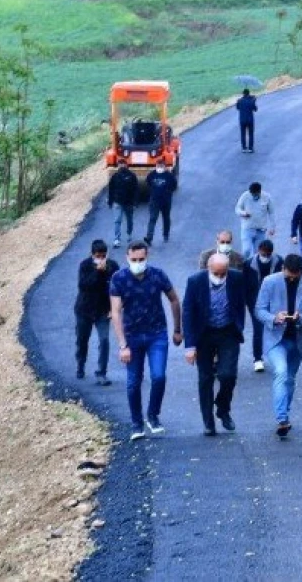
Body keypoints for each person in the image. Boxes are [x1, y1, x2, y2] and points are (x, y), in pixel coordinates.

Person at [109, 241, 183, 441]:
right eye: (134, 260)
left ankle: (153, 415)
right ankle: (136, 423)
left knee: (158, 376)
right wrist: (122, 345)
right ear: (127, 258)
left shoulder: (158, 275)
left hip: (156, 334)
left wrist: (177, 329)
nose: (138, 263)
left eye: (141, 259)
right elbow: (115, 312)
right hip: (132, 336)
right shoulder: (119, 278)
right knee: (134, 381)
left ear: (147, 257)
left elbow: (174, 299)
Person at [255, 254, 302, 438]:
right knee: (281, 372)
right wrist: (274, 318)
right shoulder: (269, 282)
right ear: (283, 269)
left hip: (298, 338)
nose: (292, 279)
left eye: (296, 276)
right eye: (289, 275)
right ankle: (282, 418)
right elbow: (259, 310)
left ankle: (285, 412)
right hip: (276, 338)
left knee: (290, 378)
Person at [182, 253, 248, 436]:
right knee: (205, 378)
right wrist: (190, 346)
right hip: (204, 334)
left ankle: (223, 408)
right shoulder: (195, 281)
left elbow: (242, 301)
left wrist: (239, 324)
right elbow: (187, 312)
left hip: (228, 331)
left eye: (223, 274)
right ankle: (208, 422)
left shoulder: (236, 278)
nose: (220, 277)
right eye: (216, 274)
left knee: (228, 375)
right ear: (208, 269)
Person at [75, 239, 119, 385]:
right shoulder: (85, 265)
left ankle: (101, 372)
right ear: (92, 254)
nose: (101, 259)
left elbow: (116, 286)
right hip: (84, 310)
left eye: (103, 256)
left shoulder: (112, 266)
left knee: (104, 340)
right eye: (98, 256)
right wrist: (96, 272)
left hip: (102, 310)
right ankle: (81, 363)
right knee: (82, 340)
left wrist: (114, 309)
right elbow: (83, 285)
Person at [245, 240, 284, 372]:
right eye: (263, 254)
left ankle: (277, 356)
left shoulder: (279, 262)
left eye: (268, 255)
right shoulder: (248, 264)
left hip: (273, 301)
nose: (265, 257)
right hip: (255, 302)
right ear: (258, 250)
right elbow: (244, 285)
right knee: (258, 329)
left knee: (275, 327)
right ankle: (257, 359)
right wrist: (247, 302)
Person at [235, 182, 275, 258]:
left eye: (256, 194)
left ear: (260, 191)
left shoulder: (267, 197)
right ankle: (244, 267)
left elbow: (271, 213)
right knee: (246, 250)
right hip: (247, 229)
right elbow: (237, 209)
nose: (254, 196)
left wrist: (272, 227)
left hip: (261, 230)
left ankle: (254, 268)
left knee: (258, 253)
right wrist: (243, 213)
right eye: (252, 194)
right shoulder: (245, 196)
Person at [143, 164, 178, 245]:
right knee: (152, 218)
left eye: (161, 166)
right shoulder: (152, 174)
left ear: (164, 167)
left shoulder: (169, 175)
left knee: (166, 218)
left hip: (166, 201)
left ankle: (166, 234)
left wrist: (168, 193)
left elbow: (174, 186)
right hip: (154, 201)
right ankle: (149, 237)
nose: (160, 168)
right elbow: (148, 183)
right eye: (158, 166)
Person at [107, 162, 139, 248]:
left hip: (129, 203)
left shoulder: (132, 176)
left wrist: (135, 202)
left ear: (126, 165)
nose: (121, 166)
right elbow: (111, 190)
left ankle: (129, 233)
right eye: (120, 165)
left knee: (129, 220)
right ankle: (117, 239)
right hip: (117, 202)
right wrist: (110, 202)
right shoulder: (115, 176)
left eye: (123, 164)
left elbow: (136, 189)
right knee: (117, 220)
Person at [236, 88, 258, 153]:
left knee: (243, 134)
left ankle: (244, 148)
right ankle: (250, 148)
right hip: (250, 120)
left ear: (243, 93)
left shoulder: (239, 100)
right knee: (251, 134)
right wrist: (254, 100)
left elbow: (238, 108)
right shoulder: (251, 101)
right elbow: (255, 109)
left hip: (242, 120)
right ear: (249, 93)